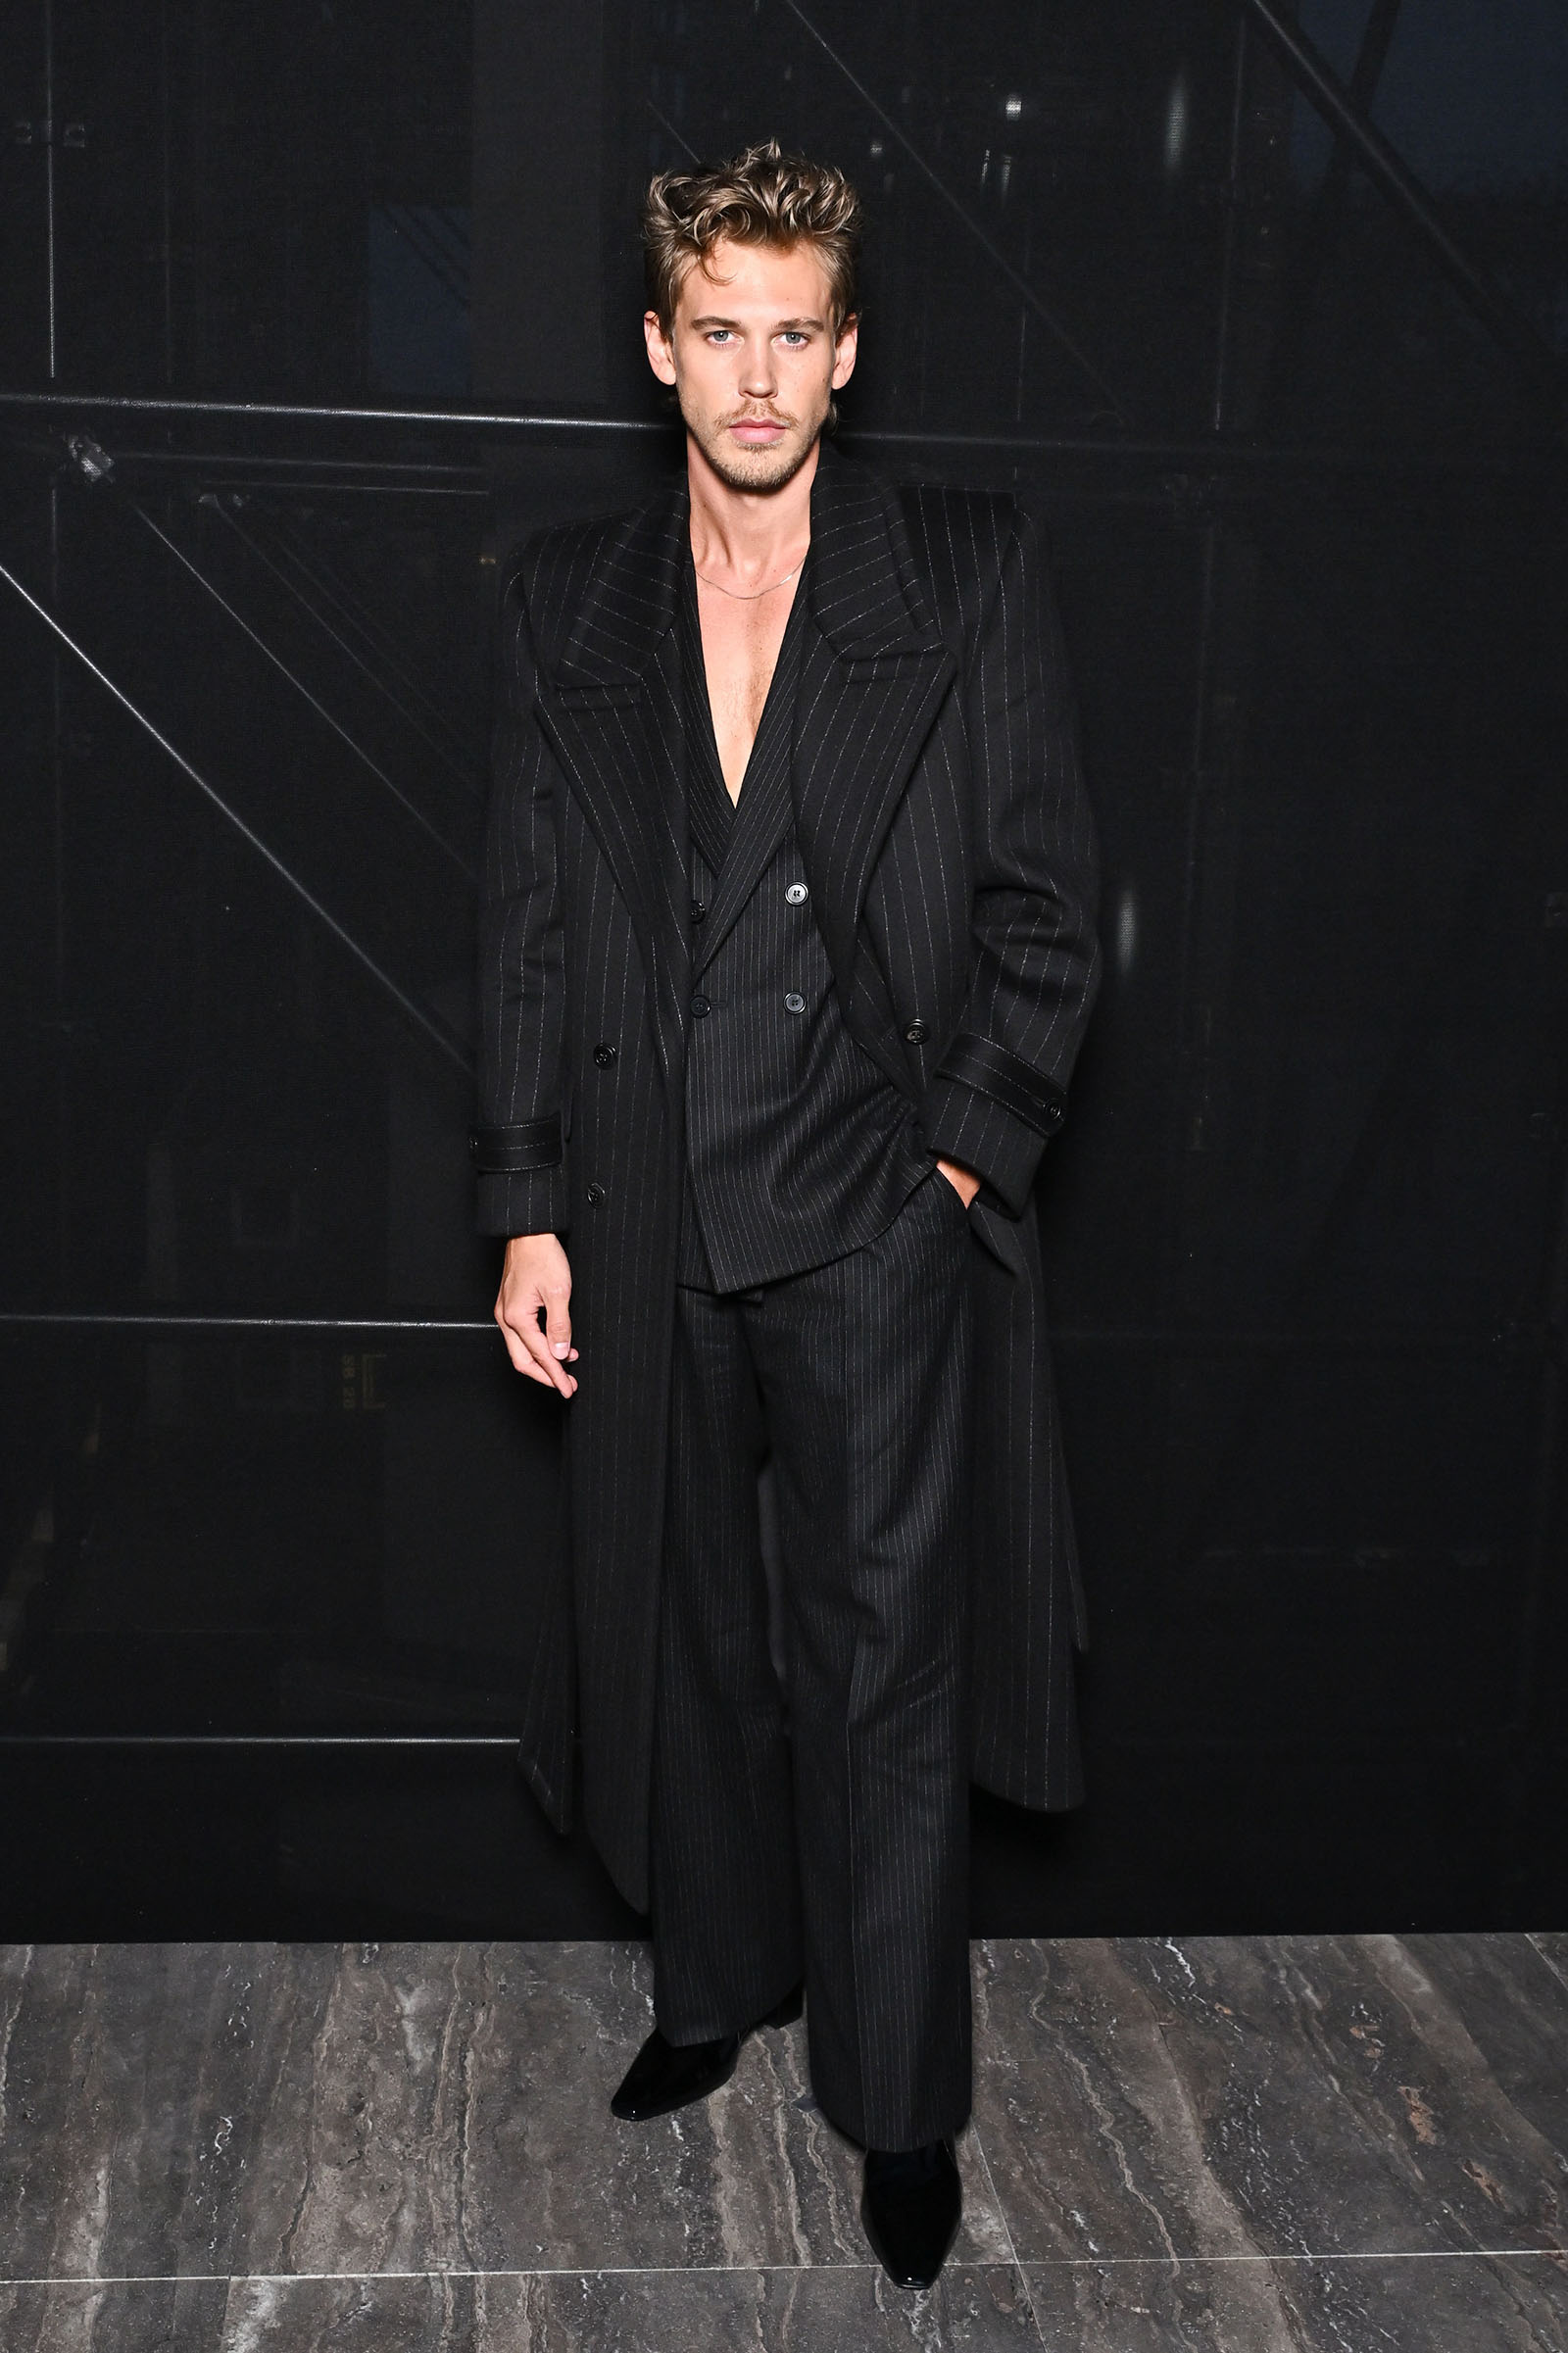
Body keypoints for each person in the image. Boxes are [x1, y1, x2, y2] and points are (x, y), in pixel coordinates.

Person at [473, 139, 1100, 2291]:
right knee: (684, 1647)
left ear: (847, 354)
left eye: (794, 333)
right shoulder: (568, 595)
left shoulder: (964, 568)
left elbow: (1044, 911)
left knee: (881, 1673)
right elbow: (532, 924)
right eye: (718, 330)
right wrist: (526, 1204)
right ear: (659, 348)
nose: (757, 375)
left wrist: (952, 1168)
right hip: (643, 1204)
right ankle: (717, 1983)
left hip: (868, 1216)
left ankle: (898, 2099)